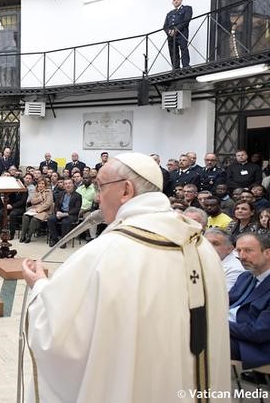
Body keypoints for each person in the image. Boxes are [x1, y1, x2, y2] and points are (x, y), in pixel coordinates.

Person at [21, 152, 230, 402]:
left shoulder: (107, 252)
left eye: (100, 186)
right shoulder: (200, 244)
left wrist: (40, 285)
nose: (97, 197)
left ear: (126, 190)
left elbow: (60, 337)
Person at [229, 232, 270, 369]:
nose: (242, 256)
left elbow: (259, 332)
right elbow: (223, 302)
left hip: (253, 346)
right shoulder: (245, 277)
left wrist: (218, 325)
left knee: (200, 339)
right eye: (239, 250)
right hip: (233, 331)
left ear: (267, 253)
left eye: (248, 250)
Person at [205, 227, 245, 291]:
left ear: (229, 249)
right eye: (206, 243)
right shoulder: (201, 261)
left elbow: (223, 297)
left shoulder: (234, 270)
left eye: (215, 244)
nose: (209, 246)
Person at [46, 178, 81, 247]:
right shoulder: (60, 194)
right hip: (60, 212)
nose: (68, 185)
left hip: (71, 214)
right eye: (66, 184)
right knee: (50, 219)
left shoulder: (78, 196)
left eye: (69, 183)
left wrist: (65, 214)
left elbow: (76, 209)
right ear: (64, 186)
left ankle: (63, 241)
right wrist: (57, 212)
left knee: (65, 221)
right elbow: (56, 206)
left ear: (73, 185)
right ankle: (54, 239)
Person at [163, 0, 192, 69]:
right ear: (172, 3)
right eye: (174, 0)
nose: (176, 1)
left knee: (183, 48)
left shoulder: (187, 8)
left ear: (181, 0)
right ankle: (175, 68)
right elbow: (165, 26)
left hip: (181, 33)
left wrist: (176, 30)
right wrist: (169, 32)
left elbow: (186, 20)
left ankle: (186, 65)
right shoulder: (169, 13)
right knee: (173, 52)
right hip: (171, 36)